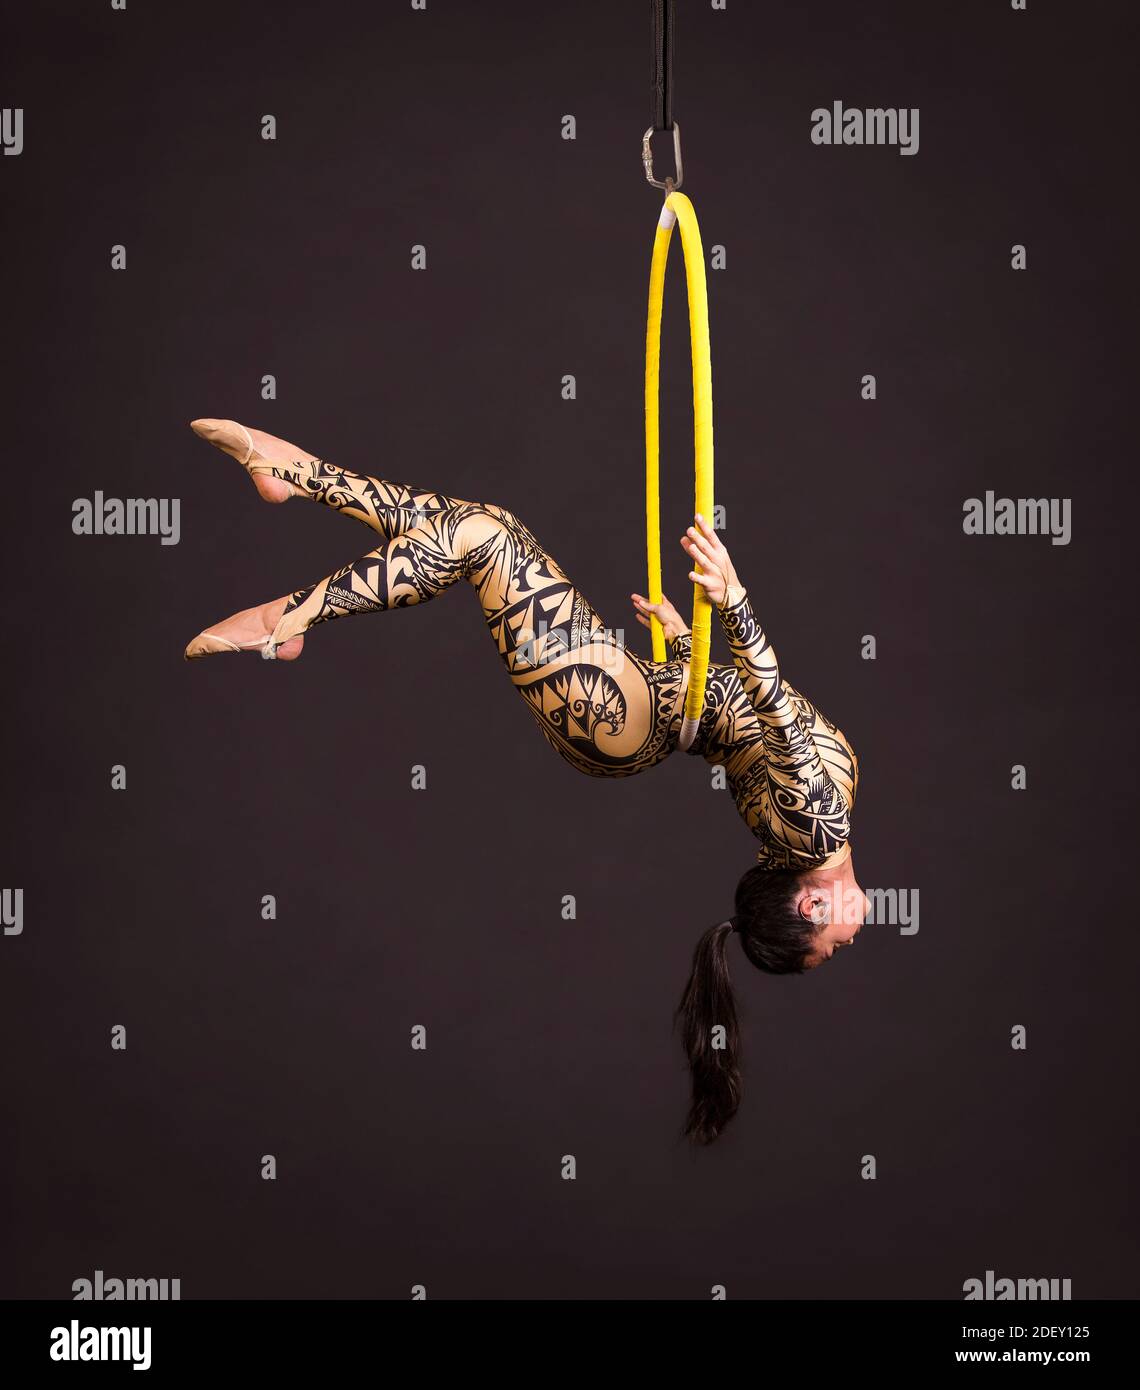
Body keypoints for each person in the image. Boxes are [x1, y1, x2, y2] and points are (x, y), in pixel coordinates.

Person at [185, 419, 868, 1144]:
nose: (854, 936)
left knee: (487, 538)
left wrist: (732, 603)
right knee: (481, 533)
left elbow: (769, 709)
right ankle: (291, 481)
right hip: (634, 700)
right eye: (838, 948)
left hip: (618, 713)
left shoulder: (815, 833)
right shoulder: (810, 834)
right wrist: (693, 643)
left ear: (810, 903)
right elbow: (756, 718)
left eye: (837, 944)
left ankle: (285, 617)